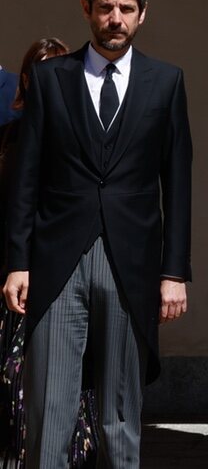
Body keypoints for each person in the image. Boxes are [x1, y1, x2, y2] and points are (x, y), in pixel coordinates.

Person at [2, 0, 192, 468]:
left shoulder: (166, 82)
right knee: (50, 412)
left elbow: (177, 183)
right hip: (55, 261)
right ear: (86, 9)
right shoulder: (49, 80)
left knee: (120, 414)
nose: (115, 18)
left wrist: (174, 272)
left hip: (132, 263)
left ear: (142, 15)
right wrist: (17, 262)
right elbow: (26, 180)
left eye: (126, 8)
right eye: (106, 6)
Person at [0, 38, 101, 468]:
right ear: (26, 79)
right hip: (16, 276)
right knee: (15, 381)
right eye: (34, 70)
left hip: (65, 272)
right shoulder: (10, 136)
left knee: (67, 382)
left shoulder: (85, 135)